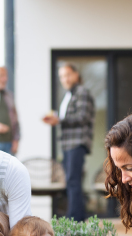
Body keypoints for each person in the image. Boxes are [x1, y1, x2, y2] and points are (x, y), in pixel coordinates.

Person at [42, 64, 95, 222]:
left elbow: (82, 117)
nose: (65, 79)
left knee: (73, 181)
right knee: (71, 182)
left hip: (77, 142)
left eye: (67, 75)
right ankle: (74, 217)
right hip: (67, 144)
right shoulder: (68, 95)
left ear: (76, 74)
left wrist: (59, 119)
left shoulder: (82, 92)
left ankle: (76, 219)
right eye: (61, 76)